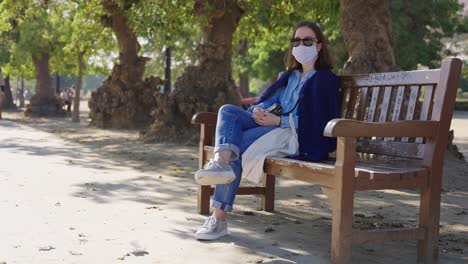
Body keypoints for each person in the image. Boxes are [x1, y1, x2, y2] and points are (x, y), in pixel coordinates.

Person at [193, 21, 341, 240]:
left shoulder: (325, 79)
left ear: (319, 46)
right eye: (297, 40)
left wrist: (278, 121)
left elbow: (319, 123)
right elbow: (267, 101)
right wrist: (256, 112)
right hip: (271, 125)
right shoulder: (288, 77)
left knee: (237, 144)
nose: (302, 45)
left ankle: (219, 218)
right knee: (228, 111)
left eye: (308, 40)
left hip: (294, 135)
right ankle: (221, 164)